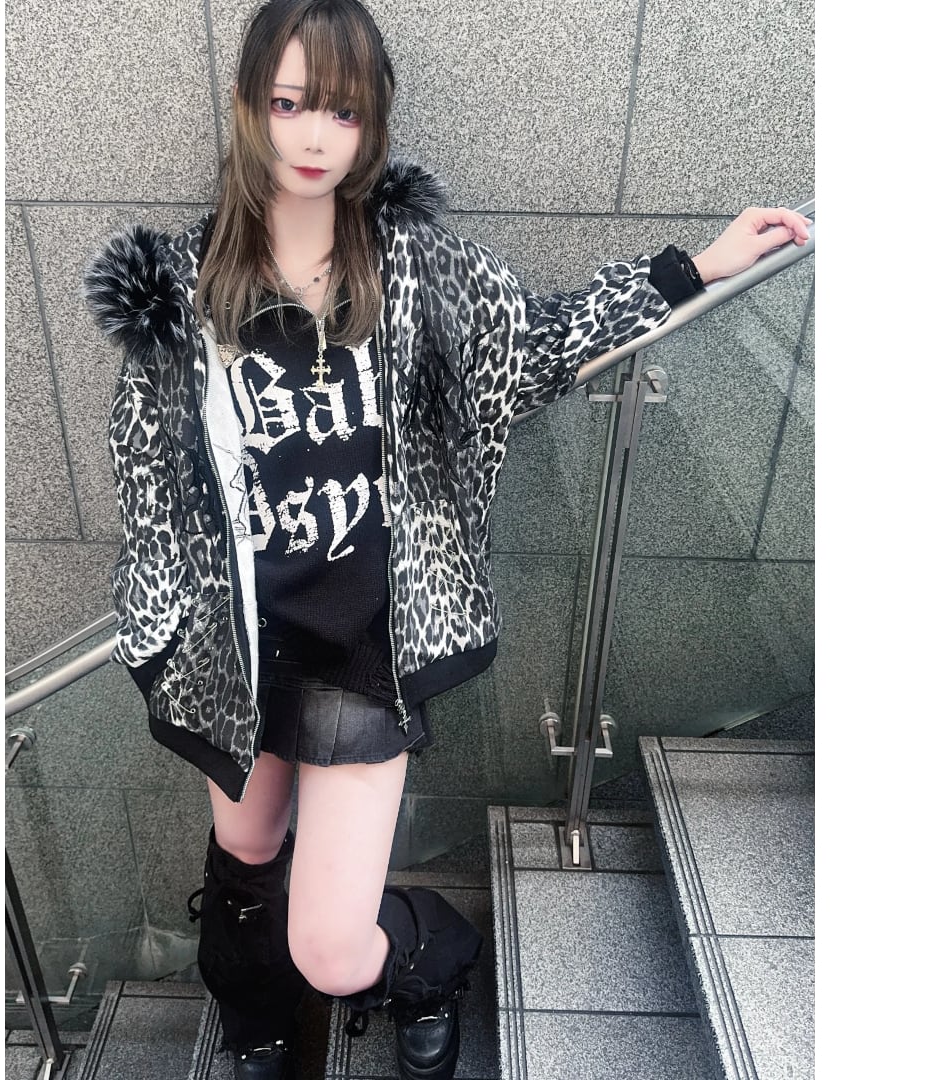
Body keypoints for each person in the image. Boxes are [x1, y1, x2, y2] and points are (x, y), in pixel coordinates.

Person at [83, 1, 811, 1076]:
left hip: (361, 648)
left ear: (372, 121)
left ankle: (430, 964)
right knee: (243, 849)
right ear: (249, 107)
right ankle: (255, 1019)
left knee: (332, 947)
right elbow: (148, 479)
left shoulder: (417, 269)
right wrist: (160, 630)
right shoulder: (181, 292)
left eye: (343, 110)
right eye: (289, 103)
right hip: (234, 650)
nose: (315, 136)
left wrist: (692, 269)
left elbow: (537, 346)